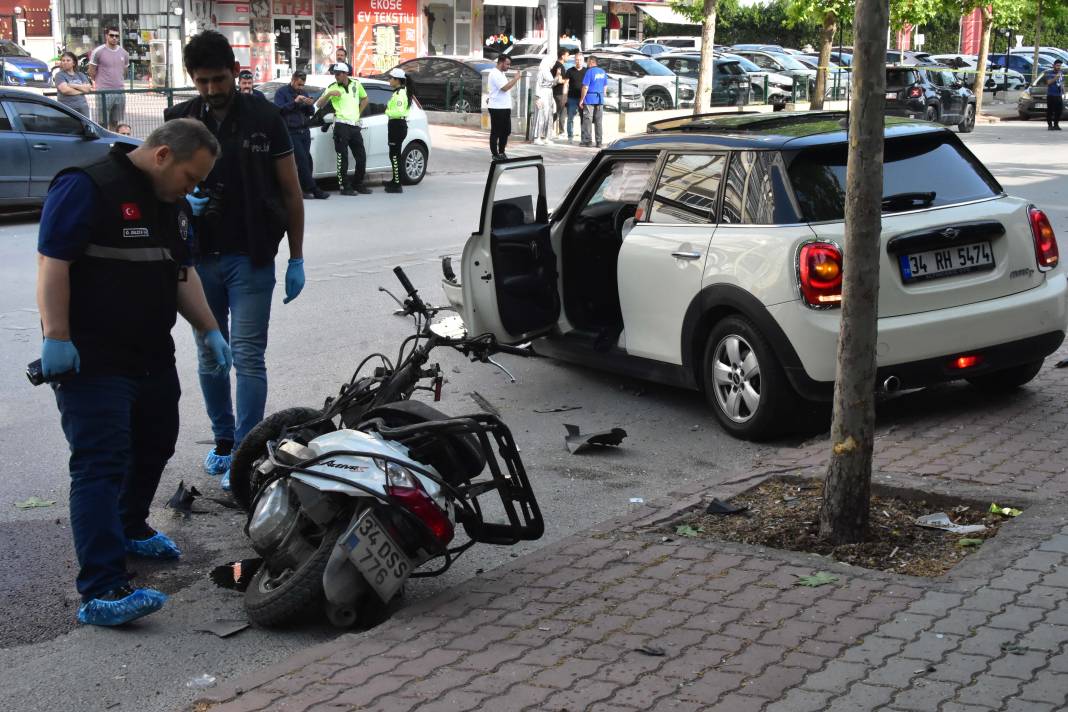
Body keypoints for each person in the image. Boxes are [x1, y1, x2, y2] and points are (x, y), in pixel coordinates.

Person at [37, 119, 232, 626]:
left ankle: (129, 525)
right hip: (92, 356)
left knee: (156, 442)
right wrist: (57, 336)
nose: (192, 189)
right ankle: (101, 589)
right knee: (100, 463)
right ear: (163, 155)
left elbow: (180, 273)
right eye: (190, 177)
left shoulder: (170, 205)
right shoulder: (87, 185)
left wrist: (209, 330)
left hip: (150, 352)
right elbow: (53, 263)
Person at [164, 30, 306, 490]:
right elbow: (160, 192)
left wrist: (296, 257)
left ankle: (246, 452)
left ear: (234, 71)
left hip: (252, 256)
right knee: (210, 355)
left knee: (247, 356)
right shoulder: (180, 121)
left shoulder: (266, 117)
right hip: (199, 258)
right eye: (201, 81)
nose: (211, 89)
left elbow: (291, 193)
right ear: (192, 79)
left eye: (219, 79)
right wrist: (187, 207)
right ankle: (224, 441)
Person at [316, 62, 372, 195]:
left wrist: (358, 113)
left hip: (354, 126)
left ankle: (358, 184)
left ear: (345, 73)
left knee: (361, 156)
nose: (336, 76)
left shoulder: (356, 84)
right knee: (343, 157)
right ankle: (344, 187)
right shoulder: (332, 87)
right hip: (341, 126)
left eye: (338, 74)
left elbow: (365, 99)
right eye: (334, 74)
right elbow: (319, 104)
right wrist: (329, 95)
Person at [275, 70, 329, 200]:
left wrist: (309, 104)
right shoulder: (282, 92)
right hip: (291, 131)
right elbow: (279, 110)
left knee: (307, 160)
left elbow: (309, 113)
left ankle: (303, 188)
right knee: (302, 160)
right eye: (299, 84)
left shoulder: (303, 93)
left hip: (304, 131)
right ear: (293, 80)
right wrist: (295, 102)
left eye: (302, 85)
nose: (301, 87)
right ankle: (315, 189)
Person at [88, 27, 129, 132]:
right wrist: (99, 83)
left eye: (117, 36)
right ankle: (104, 144)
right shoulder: (98, 51)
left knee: (115, 121)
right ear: (106, 36)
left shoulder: (124, 53)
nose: (114, 38)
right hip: (103, 91)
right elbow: (91, 71)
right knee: (103, 122)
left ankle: (113, 142)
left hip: (120, 91)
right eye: (112, 35)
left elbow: (124, 71)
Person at [487, 54, 521, 160]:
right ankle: (495, 154)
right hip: (497, 108)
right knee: (496, 132)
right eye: (507, 64)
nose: (508, 66)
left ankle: (501, 152)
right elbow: (504, 88)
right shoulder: (495, 73)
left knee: (506, 131)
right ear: (501, 62)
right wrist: (515, 79)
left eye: (509, 64)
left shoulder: (501, 73)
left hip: (504, 107)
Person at [385, 67, 412, 193]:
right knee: (394, 154)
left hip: (397, 125)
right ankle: (396, 179)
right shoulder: (398, 92)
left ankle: (397, 184)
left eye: (391, 78)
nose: (389, 80)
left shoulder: (400, 94)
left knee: (394, 156)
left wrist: (387, 111)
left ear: (397, 80)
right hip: (396, 125)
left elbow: (398, 111)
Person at [54, 51, 93, 119]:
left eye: (68, 60)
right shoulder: (59, 75)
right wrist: (82, 90)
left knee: (85, 128)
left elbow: (88, 88)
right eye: (63, 60)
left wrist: (73, 85)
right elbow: (65, 90)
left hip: (83, 108)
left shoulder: (80, 75)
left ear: (74, 63)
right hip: (67, 109)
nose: (65, 62)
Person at [580, 54, 608, 148]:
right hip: (600, 99)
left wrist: (582, 99)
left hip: (589, 98)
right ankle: (599, 142)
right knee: (598, 121)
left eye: (587, 61)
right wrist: (602, 94)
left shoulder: (589, 72)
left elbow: (585, 87)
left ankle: (587, 141)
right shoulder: (603, 72)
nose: (586, 63)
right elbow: (605, 86)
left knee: (588, 120)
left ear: (592, 62)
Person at [533, 55, 556, 145]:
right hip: (543, 93)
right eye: (552, 62)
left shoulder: (548, 72)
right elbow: (538, 85)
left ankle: (547, 137)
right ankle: (537, 137)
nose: (553, 65)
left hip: (549, 94)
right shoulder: (542, 72)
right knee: (540, 115)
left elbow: (552, 84)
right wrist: (538, 97)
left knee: (549, 116)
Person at [564, 52, 586, 143]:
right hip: (572, 98)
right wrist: (565, 96)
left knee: (583, 118)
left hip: (583, 98)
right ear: (574, 60)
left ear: (583, 61)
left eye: (580, 60)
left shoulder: (586, 71)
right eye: (577, 60)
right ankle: (570, 137)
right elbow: (566, 84)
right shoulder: (569, 71)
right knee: (570, 118)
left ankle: (583, 138)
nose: (578, 61)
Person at [551, 48, 569, 137]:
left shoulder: (556, 65)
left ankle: (548, 128)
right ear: (562, 56)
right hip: (560, 92)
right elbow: (559, 80)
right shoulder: (560, 66)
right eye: (567, 55)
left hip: (556, 92)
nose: (568, 57)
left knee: (558, 111)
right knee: (561, 111)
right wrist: (567, 81)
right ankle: (561, 131)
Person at [1044, 59, 1064, 131]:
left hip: (1058, 94)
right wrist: (1055, 78)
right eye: (1057, 65)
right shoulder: (1049, 73)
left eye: (1060, 66)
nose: (1059, 67)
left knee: (1059, 110)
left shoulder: (1061, 73)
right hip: (1051, 95)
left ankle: (1056, 124)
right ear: (1054, 66)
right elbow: (1048, 82)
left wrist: (1063, 90)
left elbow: (1061, 82)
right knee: (1050, 110)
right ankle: (1050, 125)